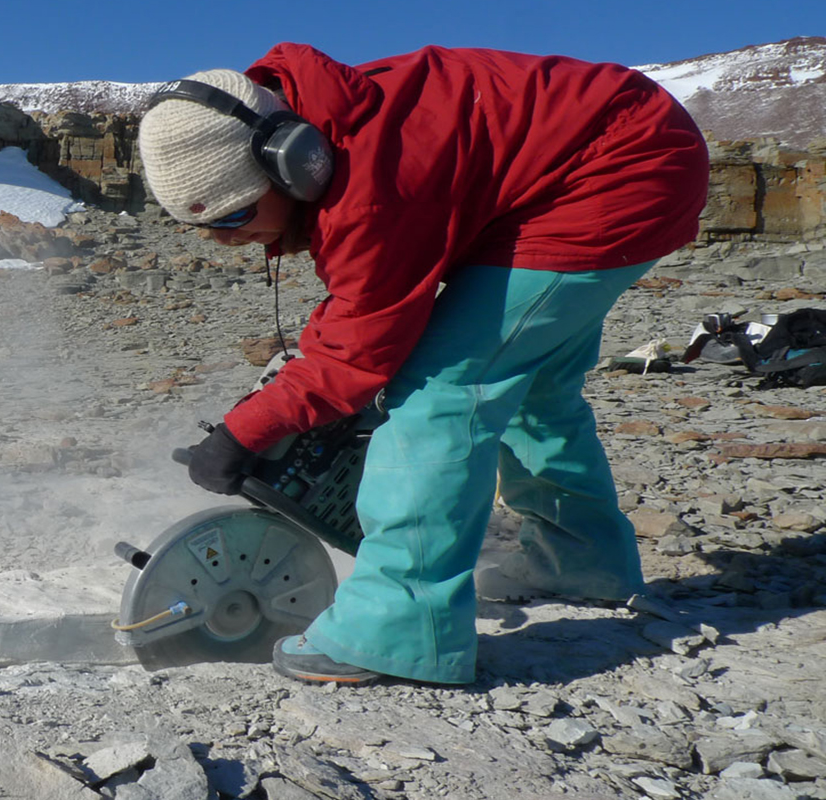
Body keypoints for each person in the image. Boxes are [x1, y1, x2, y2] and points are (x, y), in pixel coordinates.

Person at [137, 44, 708, 685]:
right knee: (534, 382)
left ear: (293, 166)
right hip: (604, 152)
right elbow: (363, 305)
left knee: (443, 387)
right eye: (205, 228)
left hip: (615, 173)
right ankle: (579, 560)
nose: (226, 238)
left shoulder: (372, 183)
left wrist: (244, 432)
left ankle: (398, 629)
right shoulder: (329, 134)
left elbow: (359, 353)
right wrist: (265, 416)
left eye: (236, 214)